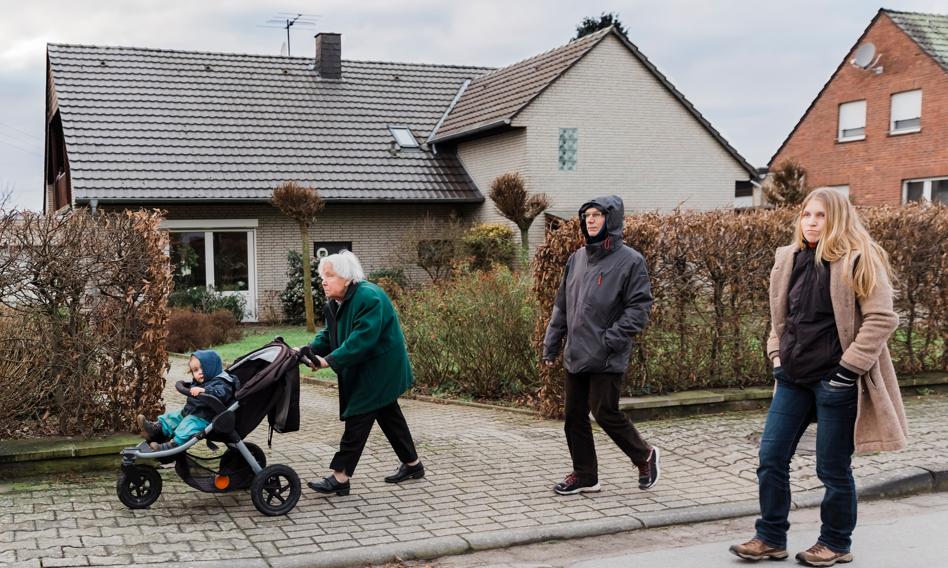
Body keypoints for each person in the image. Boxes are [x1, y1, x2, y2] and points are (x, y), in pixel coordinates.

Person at [729, 188, 907, 567]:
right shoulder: (788, 257)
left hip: (835, 380)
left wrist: (848, 370)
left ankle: (836, 543)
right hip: (792, 377)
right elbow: (781, 318)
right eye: (807, 215)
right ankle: (770, 537)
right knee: (770, 457)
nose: (811, 222)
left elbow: (881, 319)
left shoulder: (860, 260)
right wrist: (776, 357)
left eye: (820, 216)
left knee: (831, 467)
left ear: (838, 218)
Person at [542, 195, 659, 495]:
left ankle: (643, 455)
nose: (591, 220)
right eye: (587, 215)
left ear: (612, 220)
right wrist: (552, 344)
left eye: (598, 215)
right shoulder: (576, 259)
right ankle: (585, 475)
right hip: (576, 352)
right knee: (574, 416)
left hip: (607, 354)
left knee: (604, 411)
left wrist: (611, 339)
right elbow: (562, 307)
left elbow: (639, 308)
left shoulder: (631, 261)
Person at [299, 250, 423, 496]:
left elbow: (362, 340)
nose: (323, 281)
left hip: (381, 368)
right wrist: (307, 350)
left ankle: (340, 477)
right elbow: (329, 335)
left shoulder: (369, 297)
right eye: (322, 275)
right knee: (389, 416)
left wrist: (328, 362)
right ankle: (413, 465)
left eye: (330, 275)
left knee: (359, 417)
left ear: (346, 278)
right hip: (366, 367)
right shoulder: (335, 303)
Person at [138, 350, 239, 451]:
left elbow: (222, 394)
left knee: (187, 427)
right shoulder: (203, 380)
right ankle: (155, 430)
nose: (199, 372)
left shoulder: (222, 383)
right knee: (172, 417)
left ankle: (171, 445)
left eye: (202, 368)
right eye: (195, 370)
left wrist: (205, 390)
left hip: (204, 418)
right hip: (190, 412)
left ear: (212, 367)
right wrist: (186, 385)